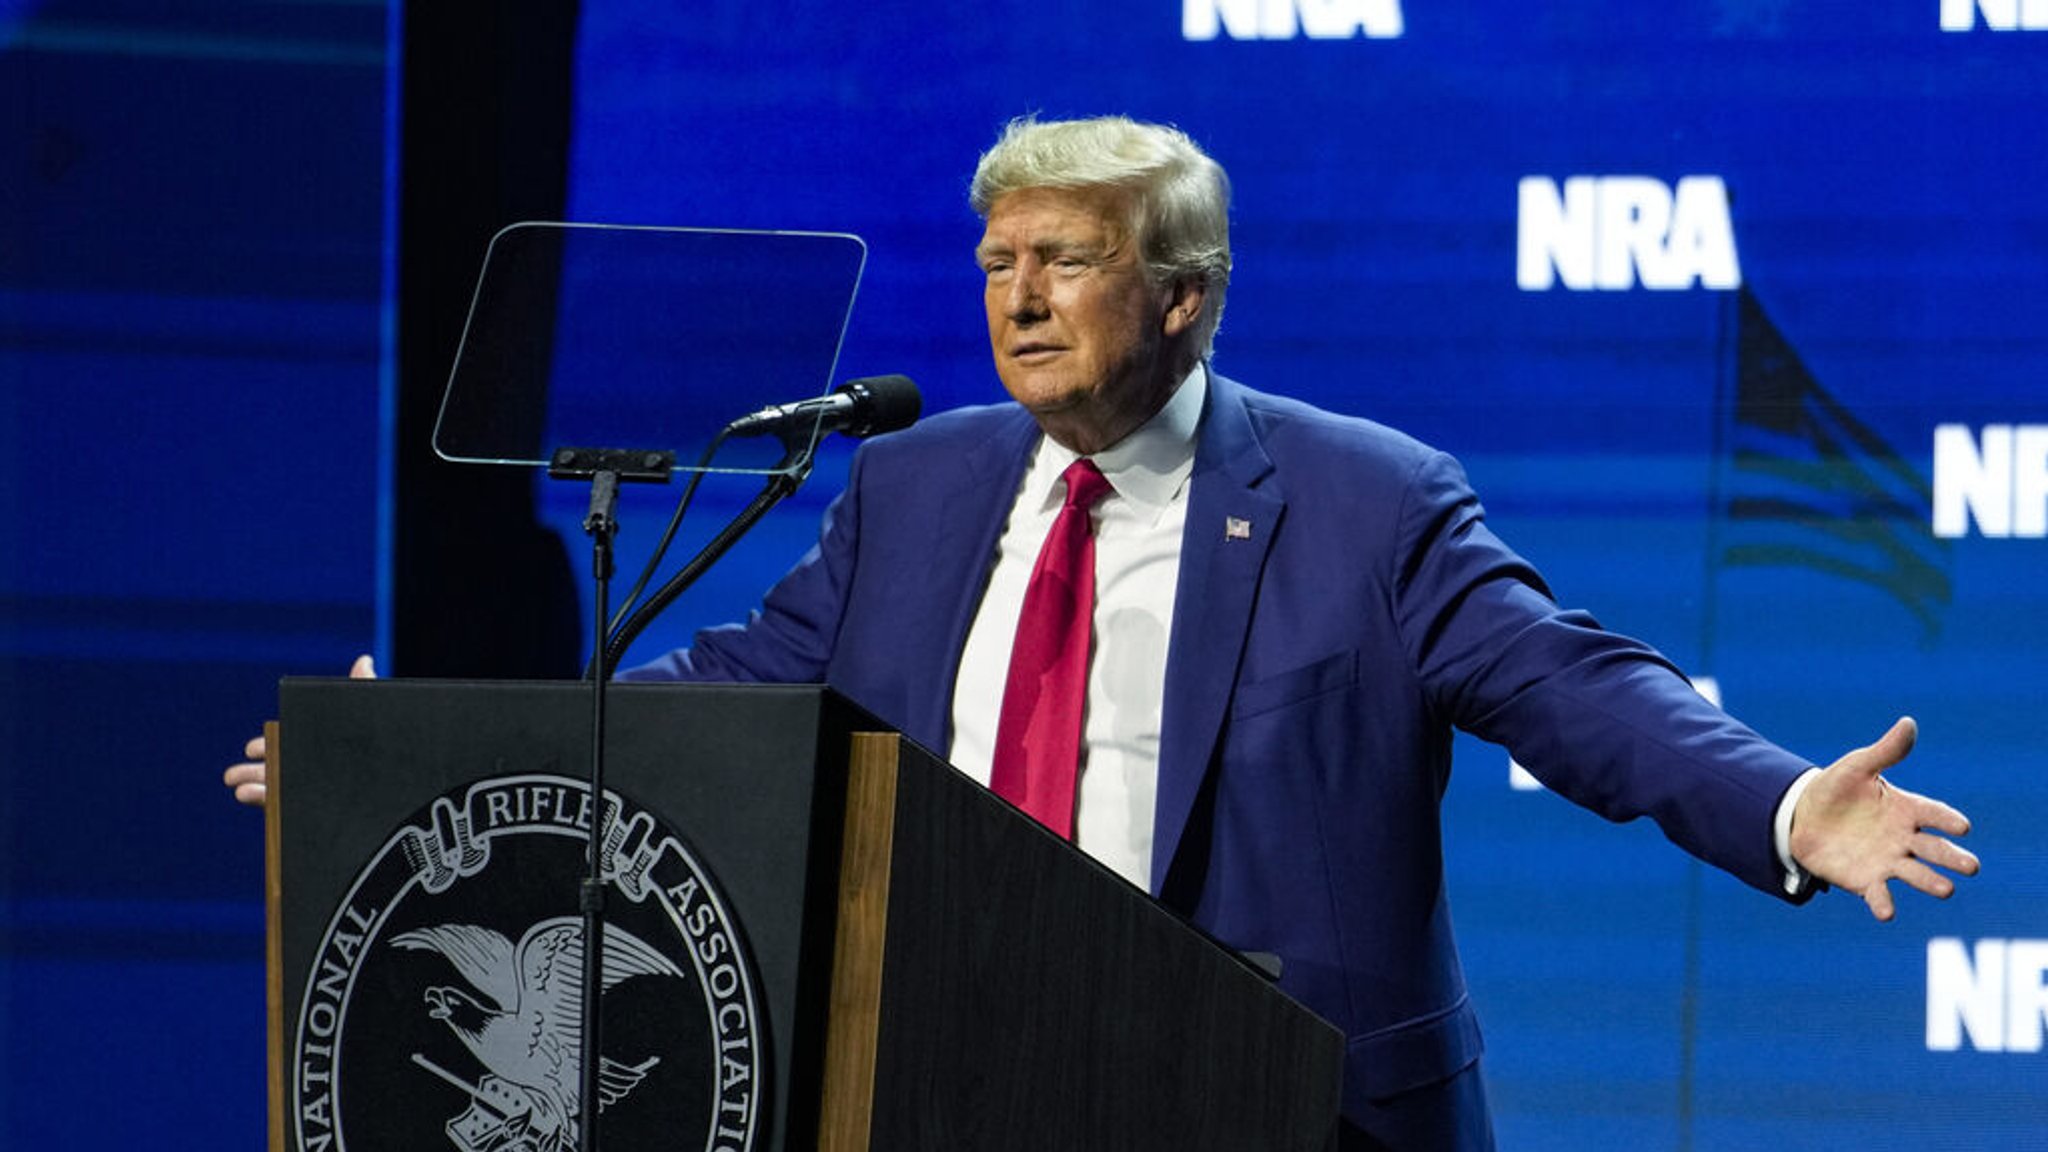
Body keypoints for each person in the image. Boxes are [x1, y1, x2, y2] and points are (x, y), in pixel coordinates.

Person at [229, 116, 1977, 1150]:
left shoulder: (1363, 501)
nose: (1015, 295)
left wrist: (1778, 807)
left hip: (1286, 1108)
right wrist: (423, 765)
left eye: (1064, 260)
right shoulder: (913, 489)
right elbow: (719, 704)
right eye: (998, 259)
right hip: (947, 1079)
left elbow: (1569, 687)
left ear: (1182, 298)